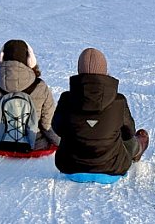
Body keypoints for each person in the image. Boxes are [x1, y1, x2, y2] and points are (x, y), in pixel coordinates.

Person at [52, 48, 149, 177]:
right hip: (114, 166)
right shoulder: (119, 101)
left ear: (79, 70)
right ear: (104, 71)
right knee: (130, 141)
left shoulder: (66, 99)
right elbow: (128, 133)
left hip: (71, 164)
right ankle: (139, 147)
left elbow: (57, 129)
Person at [0, 40, 60, 152]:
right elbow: (48, 124)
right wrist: (59, 143)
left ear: (1, 59)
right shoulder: (40, 87)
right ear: (30, 61)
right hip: (35, 146)